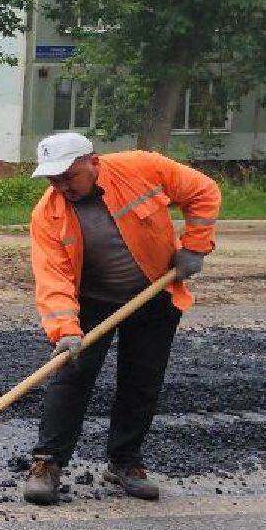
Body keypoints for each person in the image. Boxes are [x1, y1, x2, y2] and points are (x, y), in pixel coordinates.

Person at [23, 132, 220, 505]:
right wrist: (65, 331)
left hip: (153, 293)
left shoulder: (141, 168)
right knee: (72, 375)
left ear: (93, 162)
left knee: (141, 378)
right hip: (92, 300)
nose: (62, 187)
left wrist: (195, 246)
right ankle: (47, 462)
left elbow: (203, 191)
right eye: (53, 179)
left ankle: (125, 462)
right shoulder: (47, 214)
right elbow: (53, 279)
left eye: (68, 176)